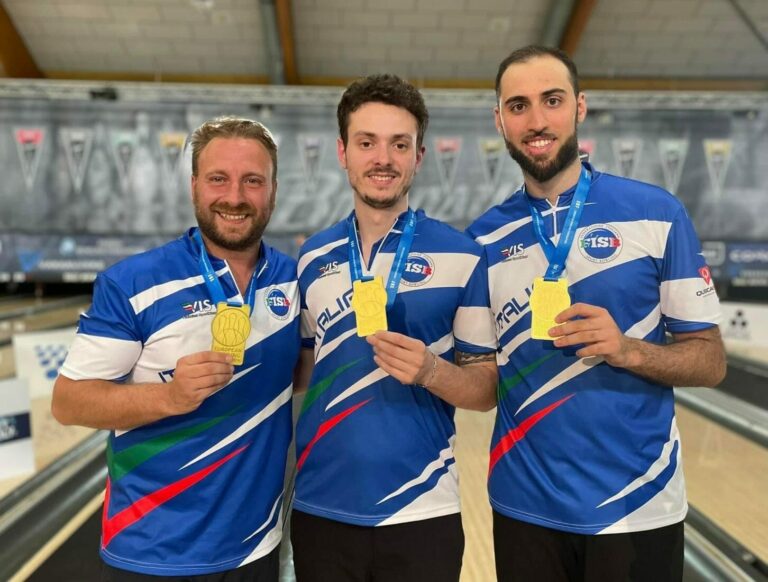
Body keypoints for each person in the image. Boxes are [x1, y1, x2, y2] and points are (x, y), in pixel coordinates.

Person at [467, 45, 726, 581]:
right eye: (518, 106)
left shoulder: (657, 213)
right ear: (499, 120)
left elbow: (711, 361)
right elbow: (479, 374)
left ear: (580, 107)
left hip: (638, 503)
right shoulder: (485, 238)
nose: (536, 121)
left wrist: (627, 349)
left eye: (552, 100)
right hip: (524, 506)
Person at [51, 116, 300, 581]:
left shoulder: (292, 279)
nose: (235, 197)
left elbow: (302, 371)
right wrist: (169, 397)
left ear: (273, 189)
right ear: (193, 186)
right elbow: (68, 401)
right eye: (218, 179)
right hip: (152, 551)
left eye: (253, 181)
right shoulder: (133, 283)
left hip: (256, 548)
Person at [290, 74, 498, 582]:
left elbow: (486, 388)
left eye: (399, 144)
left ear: (418, 156)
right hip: (320, 506)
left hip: (423, 509)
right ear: (343, 152)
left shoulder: (463, 255)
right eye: (367, 142)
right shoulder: (311, 256)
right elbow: (303, 371)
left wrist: (431, 371)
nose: (382, 158)